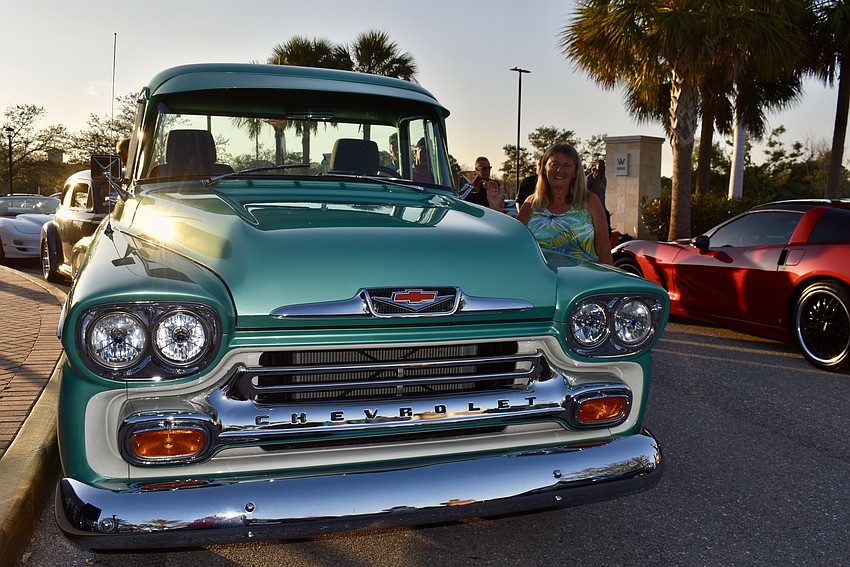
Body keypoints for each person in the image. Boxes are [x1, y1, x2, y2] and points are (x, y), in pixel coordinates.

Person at [517, 144, 612, 265]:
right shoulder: (531, 204)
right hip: (538, 280)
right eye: (554, 164)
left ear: (575, 172)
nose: (559, 170)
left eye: (566, 165)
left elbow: (603, 249)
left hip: (583, 280)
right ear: (544, 169)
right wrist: (495, 207)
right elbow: (514, 244)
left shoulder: (590, 202)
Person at [586, 159, 611, 235]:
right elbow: (591, 194)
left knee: (607, 231)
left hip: (602, 208)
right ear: (595, 167)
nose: (602, 168)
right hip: (592, 210)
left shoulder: (604, 179)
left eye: (603, 166)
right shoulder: (589, 179)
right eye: (600, 166)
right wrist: (596, 179)